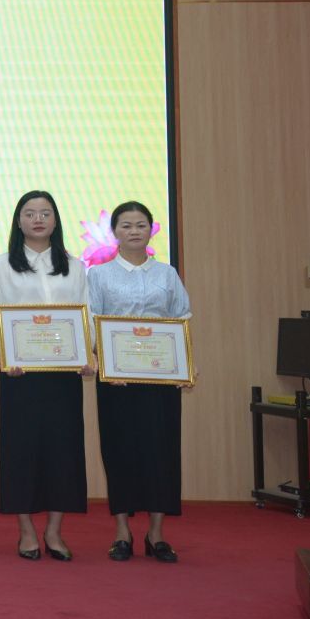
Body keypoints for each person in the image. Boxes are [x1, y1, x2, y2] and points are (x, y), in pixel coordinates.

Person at [0, 191, 90, 562]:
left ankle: (54, 531)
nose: (38, 219)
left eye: (45, 213)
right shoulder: (2, 264)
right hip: (20, 373)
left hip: (63, 373)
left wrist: (86, 353)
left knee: (63, 450)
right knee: (21, 449)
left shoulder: (74, 265)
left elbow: (86, 312)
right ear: (18, 221)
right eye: (29, 213)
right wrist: (3, 355)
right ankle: (27, 531)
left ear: (55, 220)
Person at [88, 200, 192, 564]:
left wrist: (185, 366)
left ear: (151, 230)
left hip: (160, 379)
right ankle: (122, 532)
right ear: (114, 232)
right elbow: (92, 322)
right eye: (126, 225)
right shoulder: (98, 275)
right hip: (116, 381)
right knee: (119, 451)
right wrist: (104, 364)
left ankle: (156, 534)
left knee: (162, 451)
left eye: (141, 225)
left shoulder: (167, 273)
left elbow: (182, 318)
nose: (134, 231)